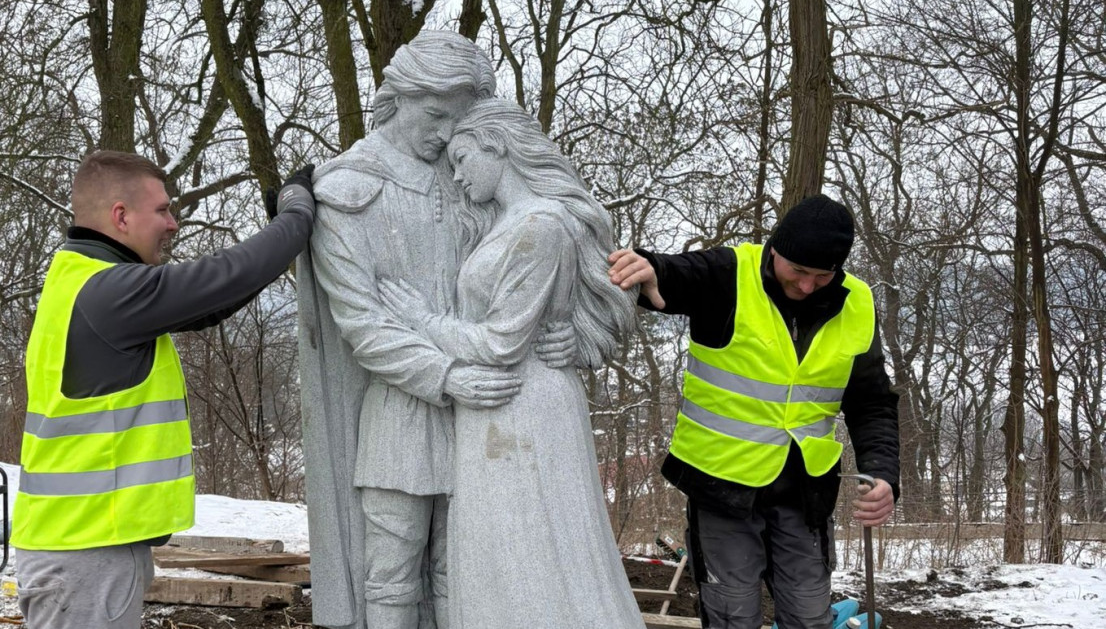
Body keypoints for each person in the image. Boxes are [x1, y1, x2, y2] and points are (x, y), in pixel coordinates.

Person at [298, 31, 573, 629]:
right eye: (436, 114)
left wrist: (568, 333)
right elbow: (363, 326)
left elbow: (534, 267)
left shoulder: (474, 179)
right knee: (392, 578)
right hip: (404, 411)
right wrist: (447, 376)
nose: (449, 134)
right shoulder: (346, 193)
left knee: (470, 572)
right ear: (398, 97)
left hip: (492, 417)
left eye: (460, 120)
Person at [12, 150, 315, 629]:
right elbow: (225, 275)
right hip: (85, 555)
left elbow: (213, 302)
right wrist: (298, 213)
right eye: (162, 210)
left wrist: (281, 233)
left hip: (82, 546)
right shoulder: (107, 293)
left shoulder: (81, 282)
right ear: (120, 216)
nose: (173, 223)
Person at [376, 99, 644, 629]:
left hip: (525, 409)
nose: (456, 174)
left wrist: (421, 320)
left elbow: (502, 344)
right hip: (498, 408)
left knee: (534, 547)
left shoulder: (539, 226)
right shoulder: (506, 223)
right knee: (503, 548)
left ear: (496, 147)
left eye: (462, 158)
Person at [607, 195, 900, 629]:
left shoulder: (857, 302)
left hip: (805, 491)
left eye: (822, 276)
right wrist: (651, 269)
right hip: (722, 485)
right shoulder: (730, 274)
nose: (806, 285)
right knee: (732, 616)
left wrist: (883, 473)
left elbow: (871, 401)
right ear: (775, 250)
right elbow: (677, 276)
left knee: (808, 616)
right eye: (797, 271)